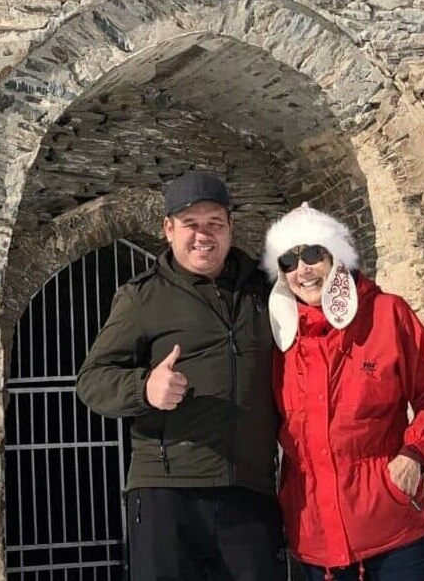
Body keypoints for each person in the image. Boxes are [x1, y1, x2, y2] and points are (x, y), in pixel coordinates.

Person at [76, 172, 283, 581]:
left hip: (249, 490)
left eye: (214, 224)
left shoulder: (267, 290)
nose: (203, 235)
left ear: (230, 228)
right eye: (191, 224)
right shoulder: (142, 297)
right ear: (168, 229)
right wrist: (144, 389)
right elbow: (91, 381)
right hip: (168, 494)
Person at [261, 203, 424, 581]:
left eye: (313, 253)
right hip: (317, 541)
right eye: (289, 260)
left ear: (335, 255)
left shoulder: (387, 314)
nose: (303, 270)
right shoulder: (278, 339)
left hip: (393, 529)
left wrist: (414, 454)